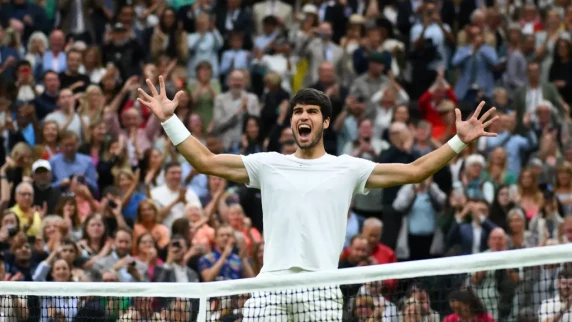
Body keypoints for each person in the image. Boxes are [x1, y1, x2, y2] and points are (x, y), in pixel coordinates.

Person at [137, 76, 498, 321]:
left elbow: (416, 171)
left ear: (325, 123)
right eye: (297, 112)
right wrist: (170, 121)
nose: (303, 117)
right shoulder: (268, 164)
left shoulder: (348, 168)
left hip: (321, 289)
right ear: (292, 123)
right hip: (268, 288)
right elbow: (206, 161)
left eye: (311, 112)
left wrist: (459, 141)